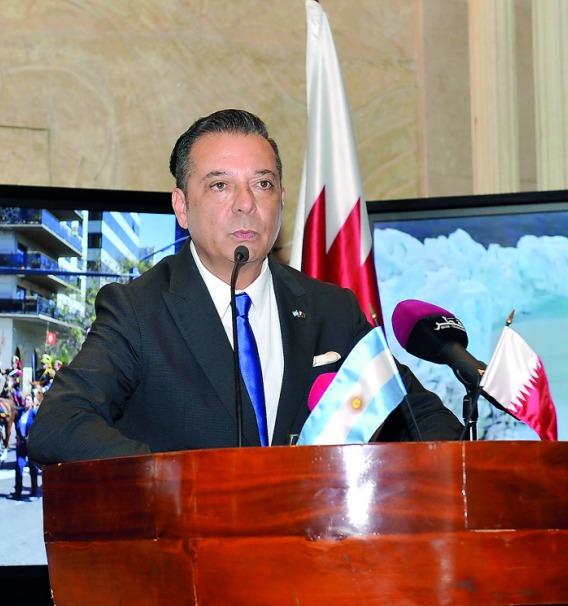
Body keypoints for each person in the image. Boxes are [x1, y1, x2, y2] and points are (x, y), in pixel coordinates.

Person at [28, 109, 462, 465]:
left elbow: (419, 416)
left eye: (262, 184)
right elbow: (59, 424)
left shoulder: (331, 309)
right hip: (190, 558)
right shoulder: (138, 310)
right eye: (220, 185)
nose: (245, 203)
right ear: (182, 207)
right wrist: (180, 484)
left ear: (281, 200)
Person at [11, 390, 41, 500]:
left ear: (32, 403)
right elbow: (17, 426)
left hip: (31, 444)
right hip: (22, 444)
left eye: (28, 400)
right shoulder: (20, 414)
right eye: (25, 400)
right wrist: (18, 436)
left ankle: (34, 490)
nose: (26, 401)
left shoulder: (34, 413)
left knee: (33, 468)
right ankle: (17, 491)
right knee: (19, 466)